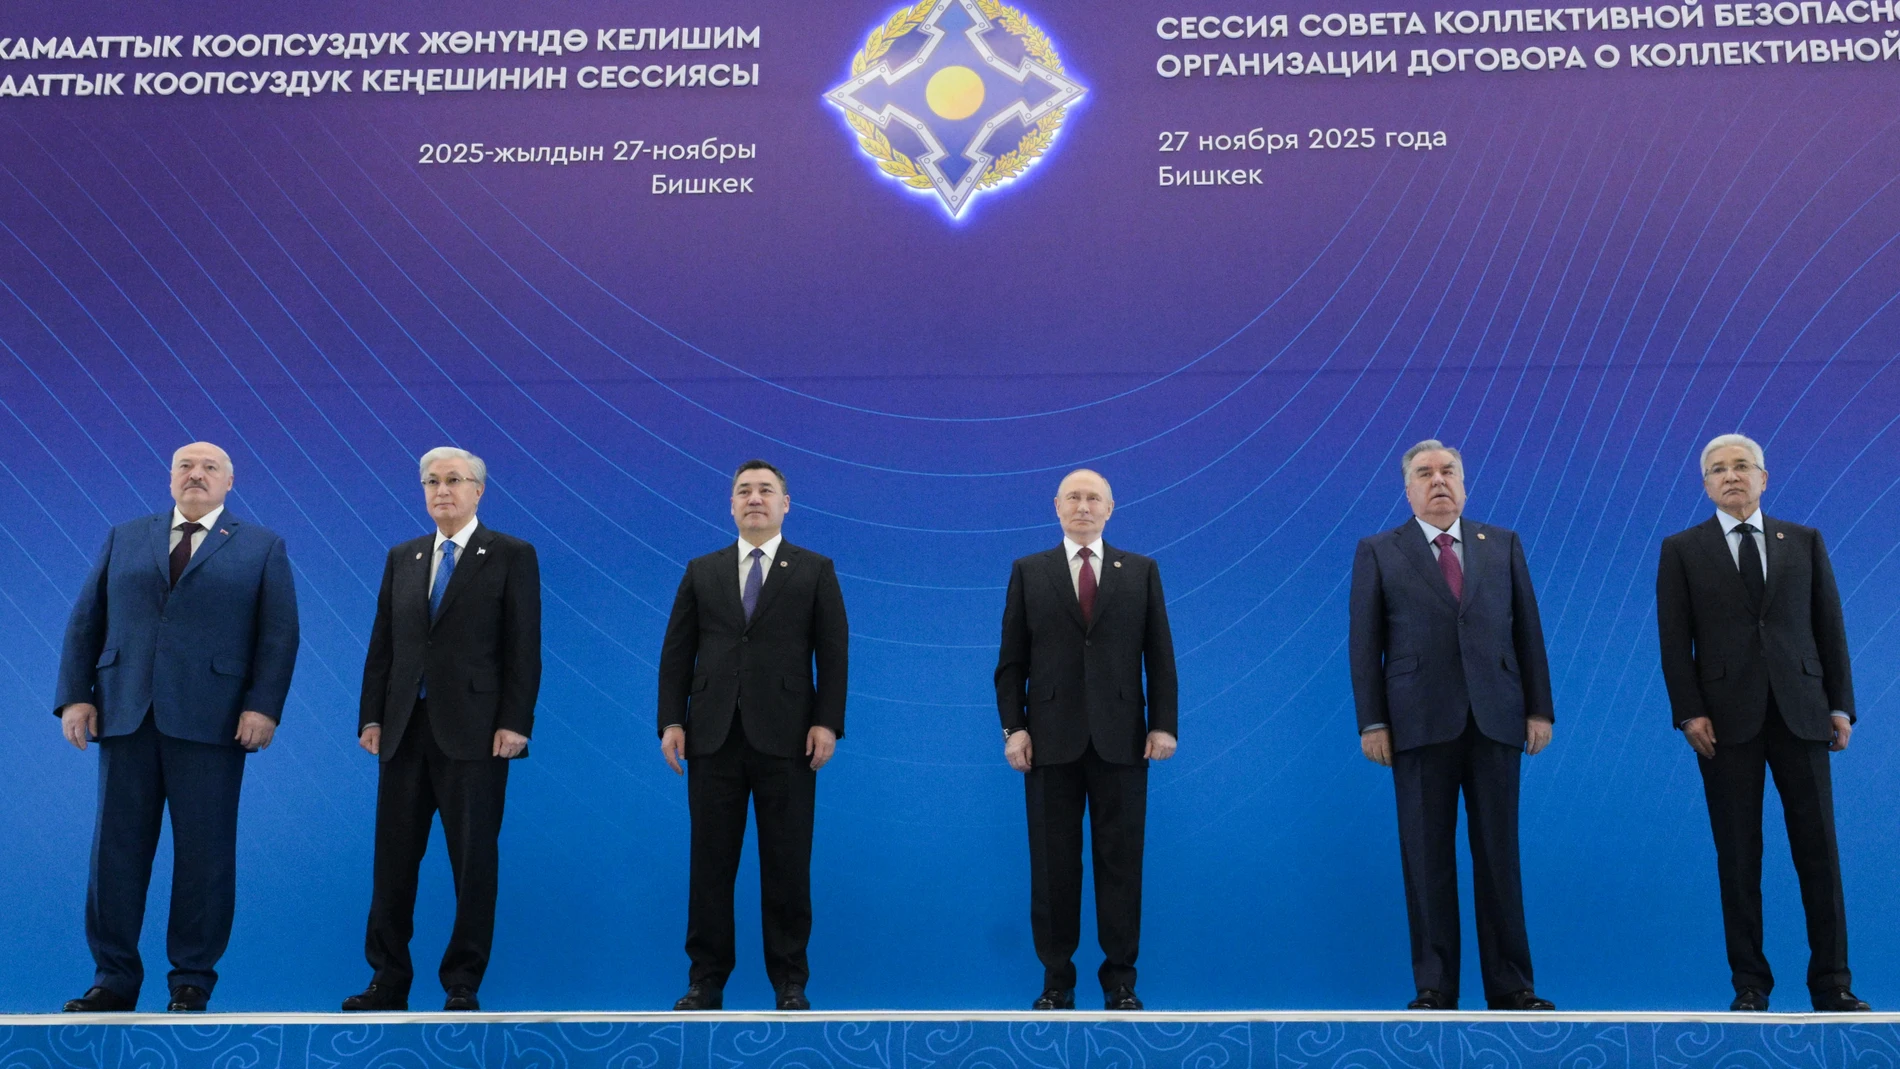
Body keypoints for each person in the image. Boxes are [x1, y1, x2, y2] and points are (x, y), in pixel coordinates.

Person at [53, 442, 299, 1013]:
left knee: (205, 856)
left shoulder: (262, 547)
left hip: (213, 721)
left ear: (229, 481)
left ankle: (192, 978)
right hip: (125, 713)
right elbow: (86, 620)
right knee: (115, 853)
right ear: (170, 480)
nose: (196, 474)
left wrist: (262, 706)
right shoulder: (125, 536)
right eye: (185, 466)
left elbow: (279, 634)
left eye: (210, 467)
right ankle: (112, 979)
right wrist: (74, 698)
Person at [1656, 433, 1869, 1013]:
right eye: (1718, 469)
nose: (1731, 476)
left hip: (1802, 713)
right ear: (1705, 484)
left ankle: (1834, 984)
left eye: (1741, 466)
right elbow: (1675, 642)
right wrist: (1688, 712)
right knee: (1739, 855)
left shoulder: (1803, 540)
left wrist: (1840, 703)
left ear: (1764, 476)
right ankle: (1750, 985)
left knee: (1820, 853)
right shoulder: (1682, 548)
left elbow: (1830, 626)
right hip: (1724, 723)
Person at [1347, 440, 1555, 1011]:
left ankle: (1513, 986)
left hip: (1496, 717)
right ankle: (1435, 985)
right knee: (1426, 857)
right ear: (1408, 488)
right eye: (1425, 473)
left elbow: (1528, 631)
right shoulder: (1379, 550)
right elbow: (1365, 646)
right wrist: (1372, 722)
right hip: (1416, 723)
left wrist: (1539, 708)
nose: (1438, 481)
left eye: (1449, 472)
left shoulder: (1502, 543)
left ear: (1465, 484)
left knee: (1499, 857)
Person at [342, 447, 540, 1013]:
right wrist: (372, 715)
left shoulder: (509, 554)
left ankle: (462, 981)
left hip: (477, 734)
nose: (441, 490)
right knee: (393, 861)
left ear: (479, 490)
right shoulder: (403, 556)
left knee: (473, 860)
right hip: (404, 729)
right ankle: (387, 980)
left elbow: (524, 649)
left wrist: (514, 722)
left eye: (454, 480)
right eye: (431, 481)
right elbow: (384, 644)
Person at [657, 460, 848, 1011]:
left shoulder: (814, 569)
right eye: (744, 491)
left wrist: (826, 722)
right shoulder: (703, 569)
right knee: (710, 864)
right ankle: (706, 980)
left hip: (789, 738)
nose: (755, 498)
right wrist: (671, 720)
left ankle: (790, 981)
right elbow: (677, 651)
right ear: (731, 504)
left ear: (787, 504)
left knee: (787, 863)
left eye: (766, 490)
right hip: (711, 736)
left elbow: (833, 654)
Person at [994, 468, 1178, 1012]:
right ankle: (1057, 981)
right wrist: (1014, 729)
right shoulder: (1029, 572)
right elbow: (1011, 664)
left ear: (1111, 508)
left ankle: (1120, 980)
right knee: (1053, 867)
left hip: (1123, 742)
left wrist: (1163, 724)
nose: (1083, 506)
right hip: (1048, 743)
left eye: (1093, 497)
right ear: (1056, 506)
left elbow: (1160, 658)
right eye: (1073, 497)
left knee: (1121, 863)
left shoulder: (1141, 571)